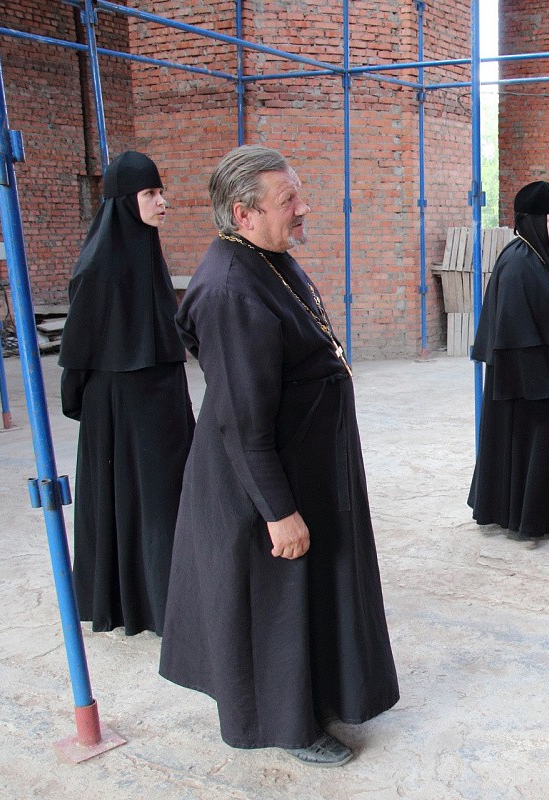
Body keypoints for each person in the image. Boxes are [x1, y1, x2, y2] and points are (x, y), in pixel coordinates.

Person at [159, 145, 399, 767]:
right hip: (262, 484)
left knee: (308, 596)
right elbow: (241, 421)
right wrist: (278, 511)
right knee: (275, 607)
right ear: (244, 214)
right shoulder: (231, 289)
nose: (303, 208)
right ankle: (287, 726)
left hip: (303, 467)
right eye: (287, 200)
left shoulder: (266, 260)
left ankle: (318, 698)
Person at [58, 150, 194, 637]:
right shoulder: (98, 268)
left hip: (160, 398)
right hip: (121, 404)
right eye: (150, 194)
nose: (162, 202)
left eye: (161, 192)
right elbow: (79, 350)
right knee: (142, 503)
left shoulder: (148, 254)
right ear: (124, 202)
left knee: (168, 498)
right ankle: (144, 606)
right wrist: (88, 404)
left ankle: (171, 601)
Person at [468, 181, 549, 544]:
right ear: (534, 222)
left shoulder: (538, 257)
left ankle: (548, 512)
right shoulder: (517, 263)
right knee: (533, 446)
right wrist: (537, 387)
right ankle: (529, 517)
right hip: (532, 384)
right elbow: (513, 332)